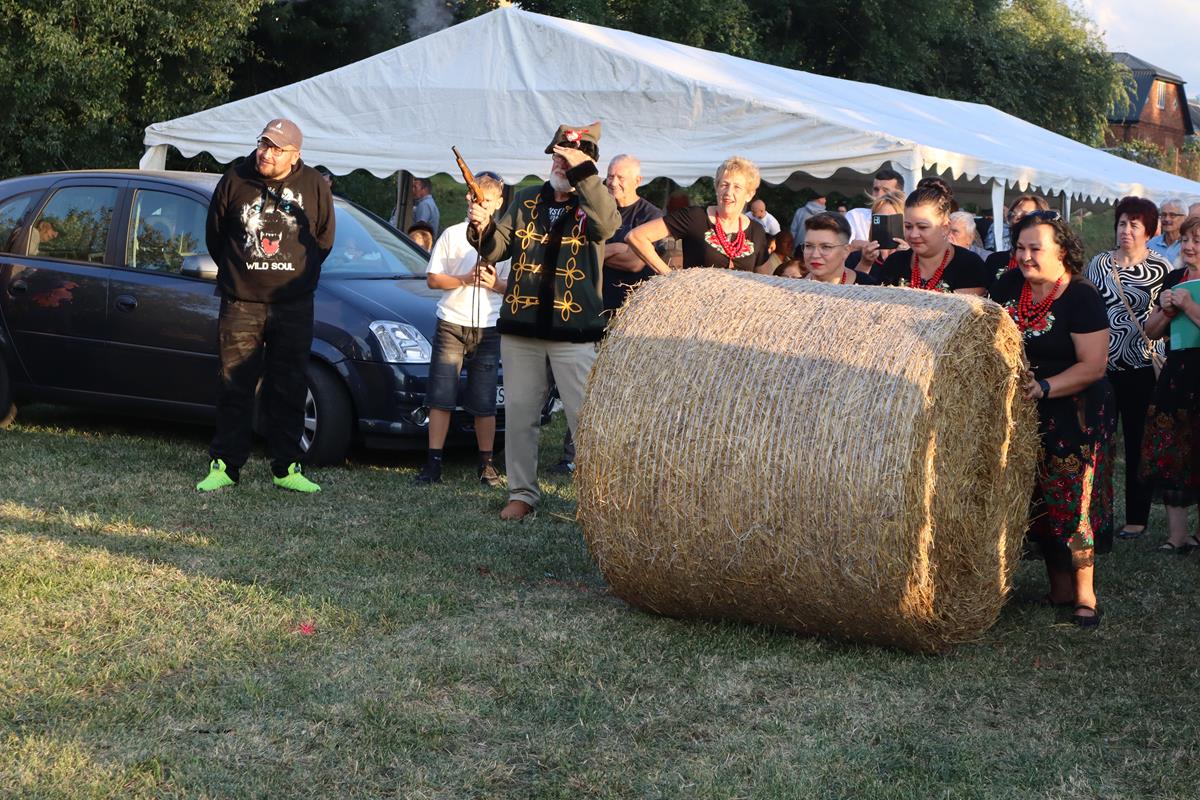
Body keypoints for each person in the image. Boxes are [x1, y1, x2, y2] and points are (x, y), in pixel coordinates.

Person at [467, 121, 619, 521]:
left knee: (584, 420)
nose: (559, 164)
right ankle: (521, 494)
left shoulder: (595, 201)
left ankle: (596, 502)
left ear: (586, 162)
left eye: (567, 158)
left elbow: (607, 225)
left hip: (574, 332)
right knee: (520, 414)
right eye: (556, 157)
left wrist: (584, 174)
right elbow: (495, 249)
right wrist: (481, 224)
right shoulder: (527, 199)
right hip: (522, 326)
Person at [197, 118, 335, 493]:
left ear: (295, 155)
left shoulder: (314, 185)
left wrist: (295, 276)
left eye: (276, 148)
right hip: (241, 303)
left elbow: (324, 240)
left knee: (289, 384)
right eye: (263, 144)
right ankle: (226, 465)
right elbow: (215, 235)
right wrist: (241, 274)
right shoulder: (235, 179)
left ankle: (286, 467)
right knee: (234, 384)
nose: (266, 153)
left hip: (293, 304)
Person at [989, 212, 1113, 627]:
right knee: (1037, 502)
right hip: (1023, 410)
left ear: (1062, 251)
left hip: (1072, 412)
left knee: (1072, 502)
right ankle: (1058, 587)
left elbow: (1094, 365)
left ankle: (1085, 595)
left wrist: (1044, 387)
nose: (1025, 256)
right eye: (1020, 248)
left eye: (1035, 248)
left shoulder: (1081, 296)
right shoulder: (1009, 285)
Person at [414, 172, 510, 488]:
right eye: (473, 197)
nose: (477, 203)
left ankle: (486, 464)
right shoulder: (453, 235)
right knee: (440, 395)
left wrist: (496, 284)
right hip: (452, 322)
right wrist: (465, 279)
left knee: (484, 398)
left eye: (485, 199)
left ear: (497, 203)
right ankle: (433, 463)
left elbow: (517, 286)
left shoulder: (506, 240)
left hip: (489, 326)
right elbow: (433, 279)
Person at [1085, 196, 1172, 540]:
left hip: (1142, 367)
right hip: (1102, 366)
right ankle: (1095, 514)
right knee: (1098, 443)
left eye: (1134, 225)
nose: (1126, 230)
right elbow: (1089, 306)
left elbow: (1165, 316)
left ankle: (1136, 516)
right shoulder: (1099, 264)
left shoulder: (1161, 268)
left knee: (1137, 443)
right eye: (1122, 223)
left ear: (1149, 231)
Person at [1141, 214, 1200, 551]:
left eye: (1197, 241)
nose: (1189, 246)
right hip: (1178, 374)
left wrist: (1189, 306)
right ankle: (1177, 536)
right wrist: (1165, 311)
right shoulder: (1175, 278)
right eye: (1186, 239)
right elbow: (1150, 332)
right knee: (1172, 450)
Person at [625, 156, 770, 273]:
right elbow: (636, 237)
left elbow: (763, 280)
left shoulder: (757, 231)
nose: (728, 192)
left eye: (737, 187)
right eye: (724, 185)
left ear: (749, 194)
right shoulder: (695, 217)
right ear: (716, 188)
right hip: (695, 301)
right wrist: (669, 278)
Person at [874, 178, 987, 295]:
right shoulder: (895, 263)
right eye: (908, 226)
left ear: (945, 227)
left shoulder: (969, 264)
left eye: (922, 227)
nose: (913, 234)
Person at [599, 154, 667, 312]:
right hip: (595, 304)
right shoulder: (598, 211)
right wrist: (618, 248)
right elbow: (580, 252)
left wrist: (593, 254)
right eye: (610, 176)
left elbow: (635, 263)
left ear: (637, 181)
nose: (613, 183)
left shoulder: (651, 215)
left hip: (632, 308)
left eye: (620, 178)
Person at [984, 195, 1051, 288]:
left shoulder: (1049, 264)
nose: (1015, 219)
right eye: (1012, 215)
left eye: (1024, 216)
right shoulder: (995, 260)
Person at [800, 212, 876, 285]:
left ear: (846, 251)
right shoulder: (795, 288)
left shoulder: (870, 287)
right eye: (809, 246)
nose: (815, 255)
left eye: (826, 247)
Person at [848, 189, 907, 275]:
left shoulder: (913, 258)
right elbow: (851, 283)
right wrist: (865, 263)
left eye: (894, 220)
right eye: (881, 219)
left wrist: (906, 258)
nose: (886, 226)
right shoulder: (858, 256)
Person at [845, 168, 905, 247]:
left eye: (886, 190)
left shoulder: (908, 220)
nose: (879, 194)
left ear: (899, 194)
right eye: (876, 189)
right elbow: (845, 245)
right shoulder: (856, 215)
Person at [1148, 198, 1186, 264]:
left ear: (1184, 218)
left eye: (1172, 215)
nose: (1167, 219)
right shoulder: (1151, 244)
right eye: (1163, 215)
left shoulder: (1189, 246)